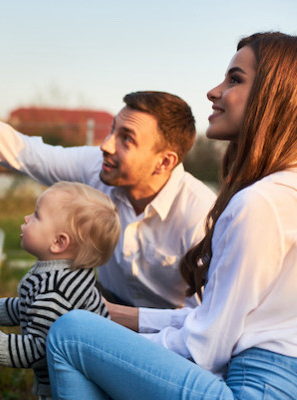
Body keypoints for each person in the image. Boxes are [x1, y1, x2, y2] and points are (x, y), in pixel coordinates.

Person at [45, 32, 297, 399]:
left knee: (71, 334)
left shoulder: (259, 203)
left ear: (273, 98)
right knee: (87, 326)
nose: (214, 91)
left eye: (235, 79)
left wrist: (109, 345)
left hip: (252, 389)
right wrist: (108, 314)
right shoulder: (283, 193)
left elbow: (205, 349)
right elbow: (213, 318)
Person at [0, 66, 215, 309]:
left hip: (169, 338)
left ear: (164, 162)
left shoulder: (200, 216)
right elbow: (19, 149)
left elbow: (204, 324)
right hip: (104, 308)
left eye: (126, 139)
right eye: (112, 131)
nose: (105, 145)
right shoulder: (97, 167)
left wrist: (103, 315)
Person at [0, 181, 120, 399]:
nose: (26, 218)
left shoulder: (56, 291)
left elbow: (40, 348)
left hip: (72, 385)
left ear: (58, 242)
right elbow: (31, 306)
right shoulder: (60, 274)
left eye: (36, 216)